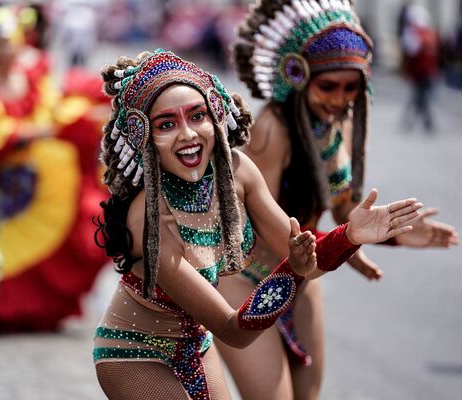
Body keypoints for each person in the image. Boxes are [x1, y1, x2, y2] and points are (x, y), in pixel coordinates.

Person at [92, 49, 423, 400]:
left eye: (197, 116)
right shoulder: (148, 218)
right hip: (132, 353)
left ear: (216, 117)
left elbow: (306, 261)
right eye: (166, 124)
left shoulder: (238, 171)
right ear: (143, 137)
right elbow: (234, 330)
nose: (188, 134)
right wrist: (292, 271)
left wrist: (351, 235)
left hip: (196, 343)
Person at [223, 1, 459, 399]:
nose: (340, 99)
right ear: (299, 77)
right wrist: (346, 244)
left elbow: (344, 207)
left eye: (351, 87)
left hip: (304, 274)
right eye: (328, 86)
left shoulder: (343, 122)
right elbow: (258, 229)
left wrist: (393, 234)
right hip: (246, 280)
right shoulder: (271, 130)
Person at [400, 3, 441, 132]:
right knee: (420, 97)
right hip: (428, 71)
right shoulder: (430, 33)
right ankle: (420, 122)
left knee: (420, 98)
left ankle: (415, 121)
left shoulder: (414, 34)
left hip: (420, 72)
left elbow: (411, 52)